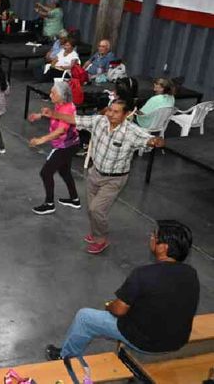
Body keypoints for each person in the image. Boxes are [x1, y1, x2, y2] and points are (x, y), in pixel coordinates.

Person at [46, 220, 199, 360]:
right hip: (177, 340)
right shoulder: (191, 273)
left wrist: (109, 305)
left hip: (147, 342)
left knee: (84, 317)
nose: (151, 237)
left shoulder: (143, 274)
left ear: (163, 247)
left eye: (154, 235)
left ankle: (65, 357)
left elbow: (119, 310)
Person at [41, 99, 165, 254]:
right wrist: (53, 114)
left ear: (126, 114)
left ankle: (101, 239)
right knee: (92, 209)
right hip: (95, 173)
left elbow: (149, 139)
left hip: (114, 179)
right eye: (110, 110)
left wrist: (156, 141)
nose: (111, 114)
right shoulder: (99, 121)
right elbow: (75, 119)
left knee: (96, 209)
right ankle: (95, 233)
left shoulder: (132, 132)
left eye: (116, 112)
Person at [27, 81, 81, 214]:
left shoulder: (67, 109)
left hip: (64, 146)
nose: (50, 95)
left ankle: (49, 204)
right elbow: (55, 115)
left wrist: (40, 140)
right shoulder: (61, 104)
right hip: (71, 144)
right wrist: (40, 116)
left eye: (53, 93)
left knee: (46, 172)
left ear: (62, 96)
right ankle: (74, 199)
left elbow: (60, 131)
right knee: (64, 171)